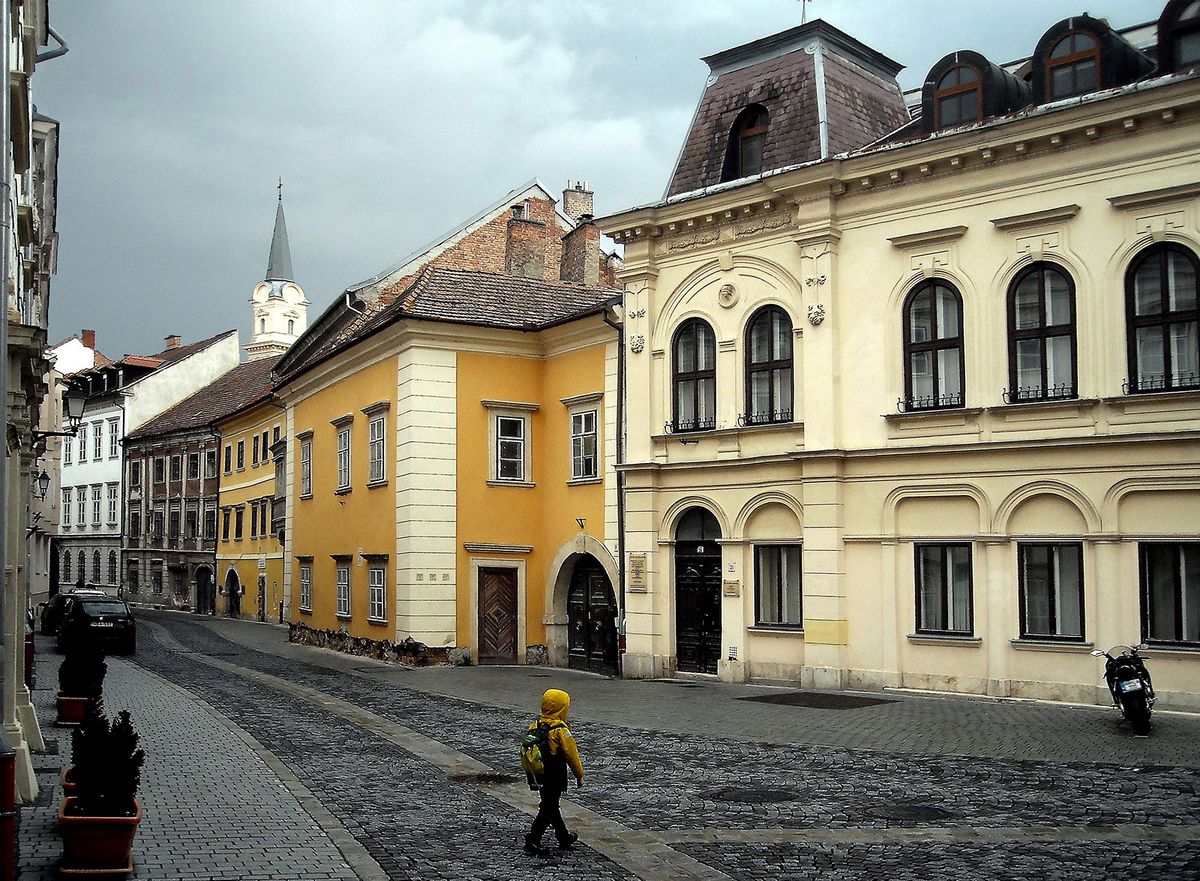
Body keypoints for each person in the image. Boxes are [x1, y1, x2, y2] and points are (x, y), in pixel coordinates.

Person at [524, 688, 584, 855]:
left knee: (550, 804)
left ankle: (563, 836)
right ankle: (533, 839)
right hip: (554, 774)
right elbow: (572, 754)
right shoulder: (560, 729)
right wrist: (579, 775)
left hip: (538, 773)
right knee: (548, 807)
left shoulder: (535, 724)